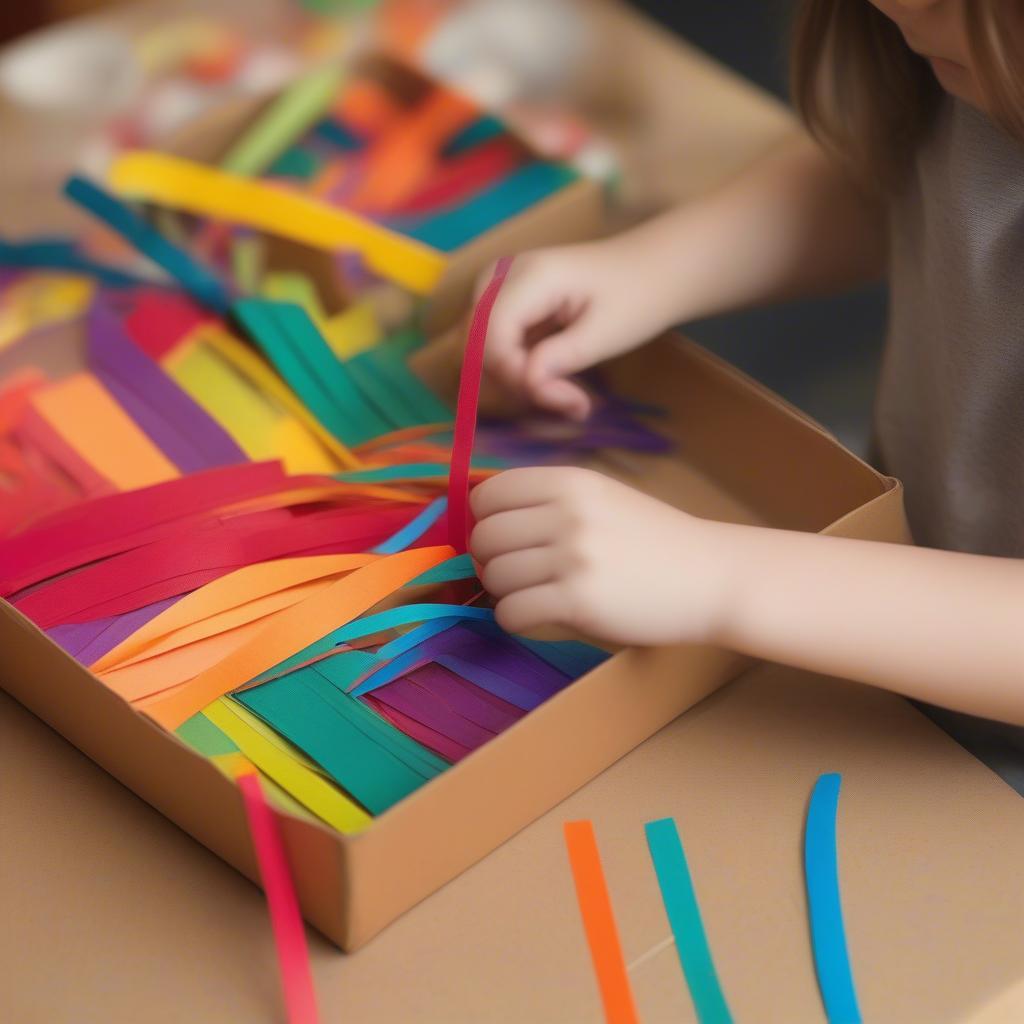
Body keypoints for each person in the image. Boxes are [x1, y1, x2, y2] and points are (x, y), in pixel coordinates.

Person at [469, 0, 1024, 786]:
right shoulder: (969, 57)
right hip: (867, 606)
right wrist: (650, 269)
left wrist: (716, 577)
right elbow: (894, 173)